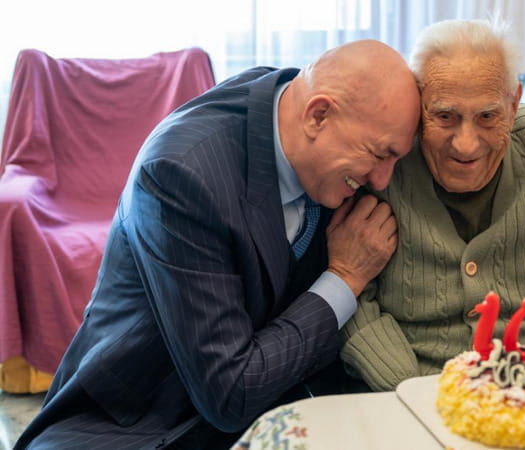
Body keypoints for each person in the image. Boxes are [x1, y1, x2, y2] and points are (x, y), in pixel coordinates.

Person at [15, 40, 421, 449]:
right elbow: (231, 394)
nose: (383, 180)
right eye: (379, 154)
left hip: (276, 413)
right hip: (134, 427)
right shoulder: (181, 174)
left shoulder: (309, 131)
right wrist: (344, 279)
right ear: (318, 115)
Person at [340, 20, 525, 392]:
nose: (466, 145)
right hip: (407, 391)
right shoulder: (386, 156)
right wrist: (410, 391)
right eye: (444, 116)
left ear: (514, 102)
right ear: (418, 103)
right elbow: (352, 294)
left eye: (487, 116)